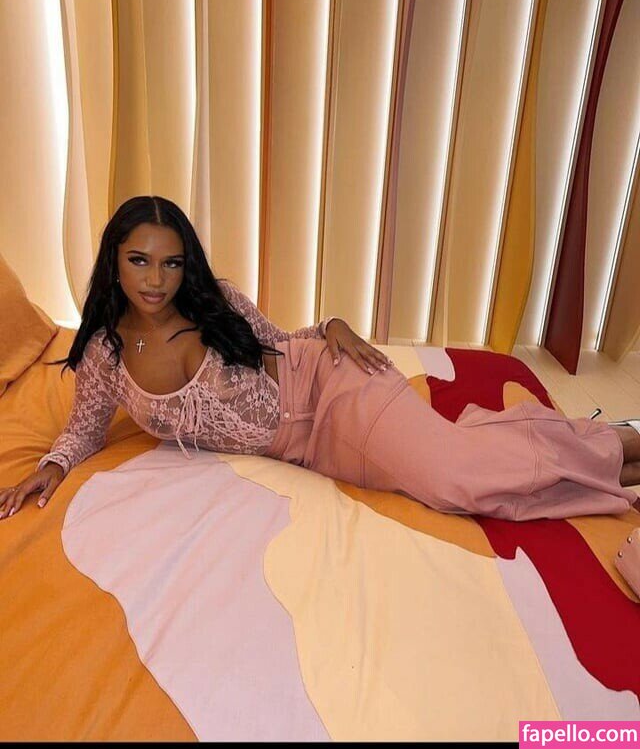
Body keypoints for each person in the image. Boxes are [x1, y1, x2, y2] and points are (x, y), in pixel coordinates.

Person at [0, 195, 639, 523]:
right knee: (454, 481)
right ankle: (606, 451)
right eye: (139, 260)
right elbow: (85, 426)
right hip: (312, 451)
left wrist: (331, 325)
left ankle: (619, 443)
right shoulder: (105, 353)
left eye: (171, 262)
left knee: (453, 480)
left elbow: (281, 342)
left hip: (331, 391)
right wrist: (52, 467)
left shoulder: (214, 301)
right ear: (114, 259)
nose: (155, 279)